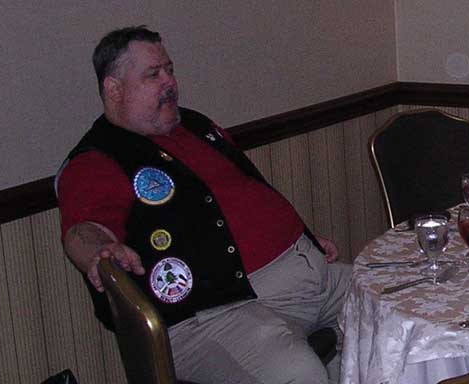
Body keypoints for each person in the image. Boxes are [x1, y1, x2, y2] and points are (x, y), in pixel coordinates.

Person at [56, 25, 351, 384]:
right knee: (299, 374)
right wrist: (100, 253)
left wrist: (300, 240)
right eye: (153, 74)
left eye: (169, 69)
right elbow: (81, 231)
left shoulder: (195, 126)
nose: (169, 82)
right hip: (219, 313)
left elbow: (243, 196)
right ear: (114, 89)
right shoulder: (97, 161)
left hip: (309, 275)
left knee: (399, 306)